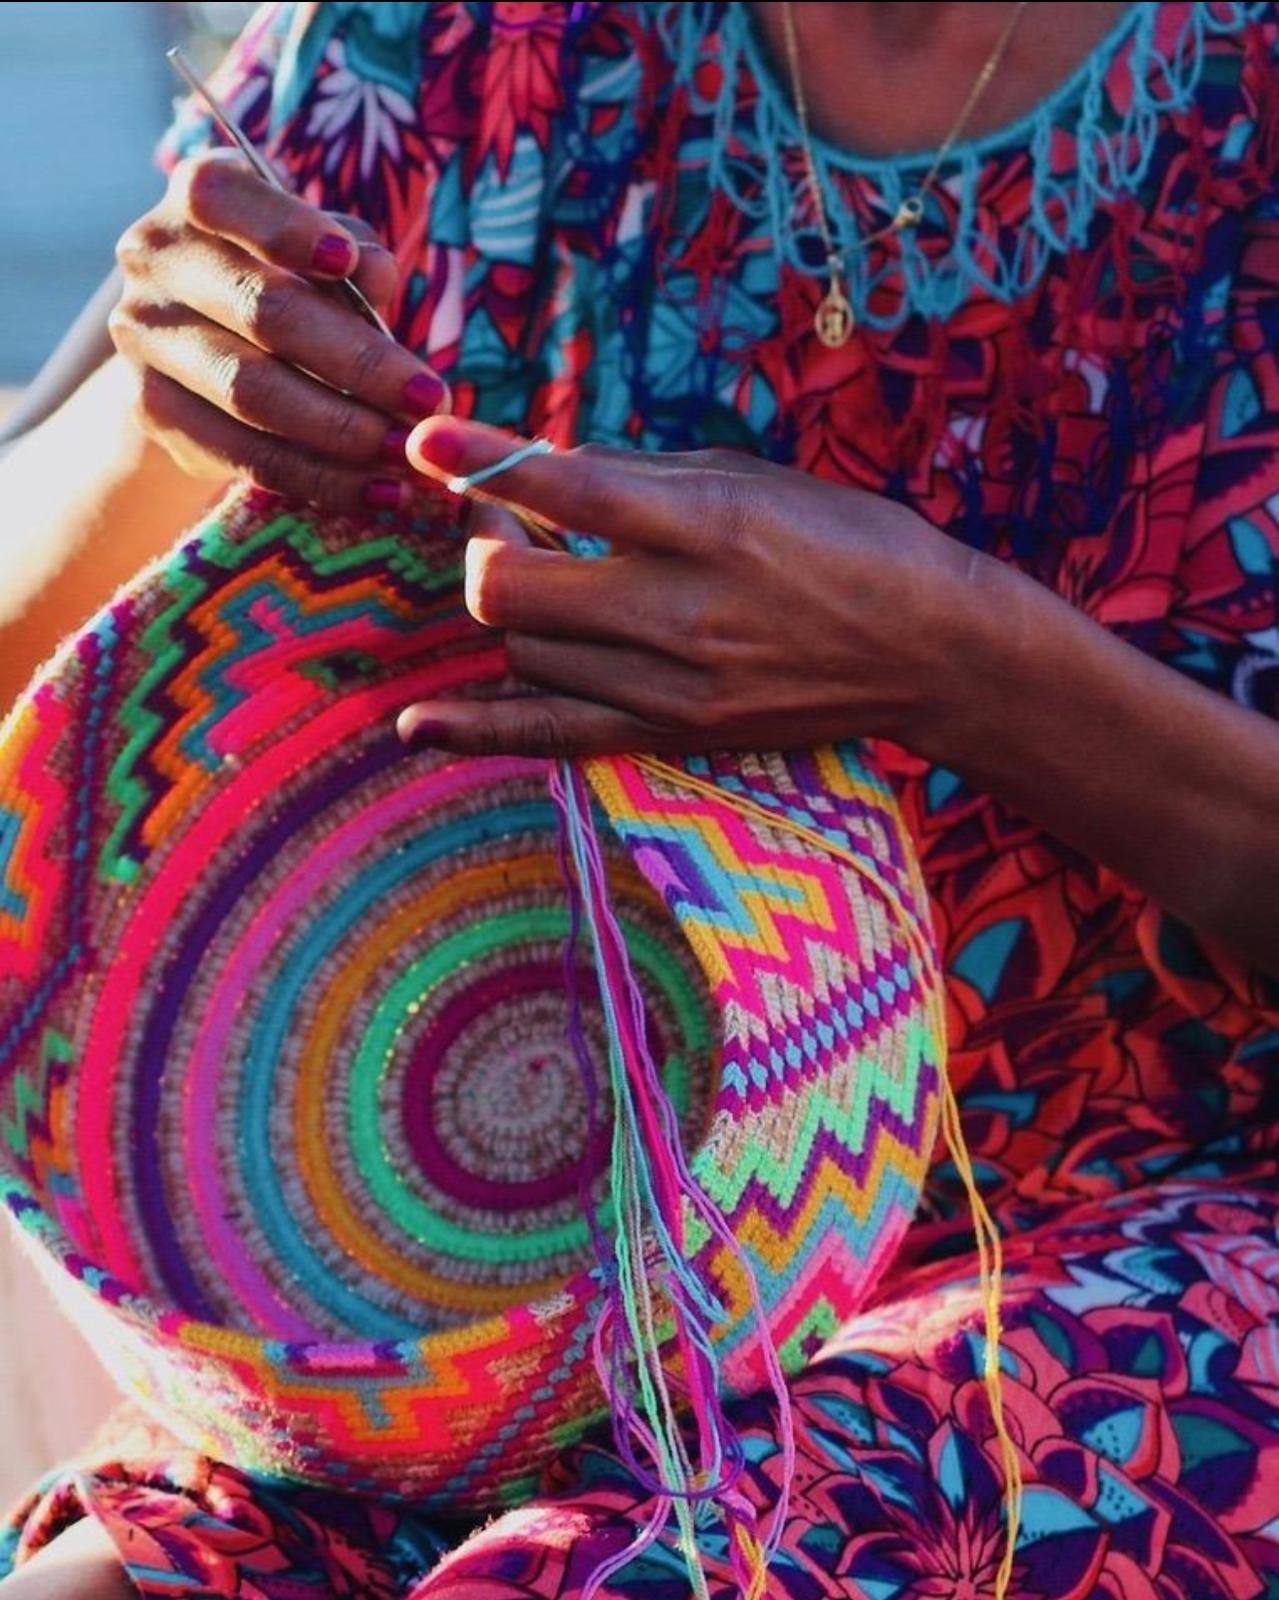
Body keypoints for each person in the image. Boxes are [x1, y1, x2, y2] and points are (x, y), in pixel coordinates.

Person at [2, 2, 1278, 1595]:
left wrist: (974, 671)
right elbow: (33, 665)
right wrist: (159, 419)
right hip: (507, 1266)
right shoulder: (443, 44)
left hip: (1180, 1212)